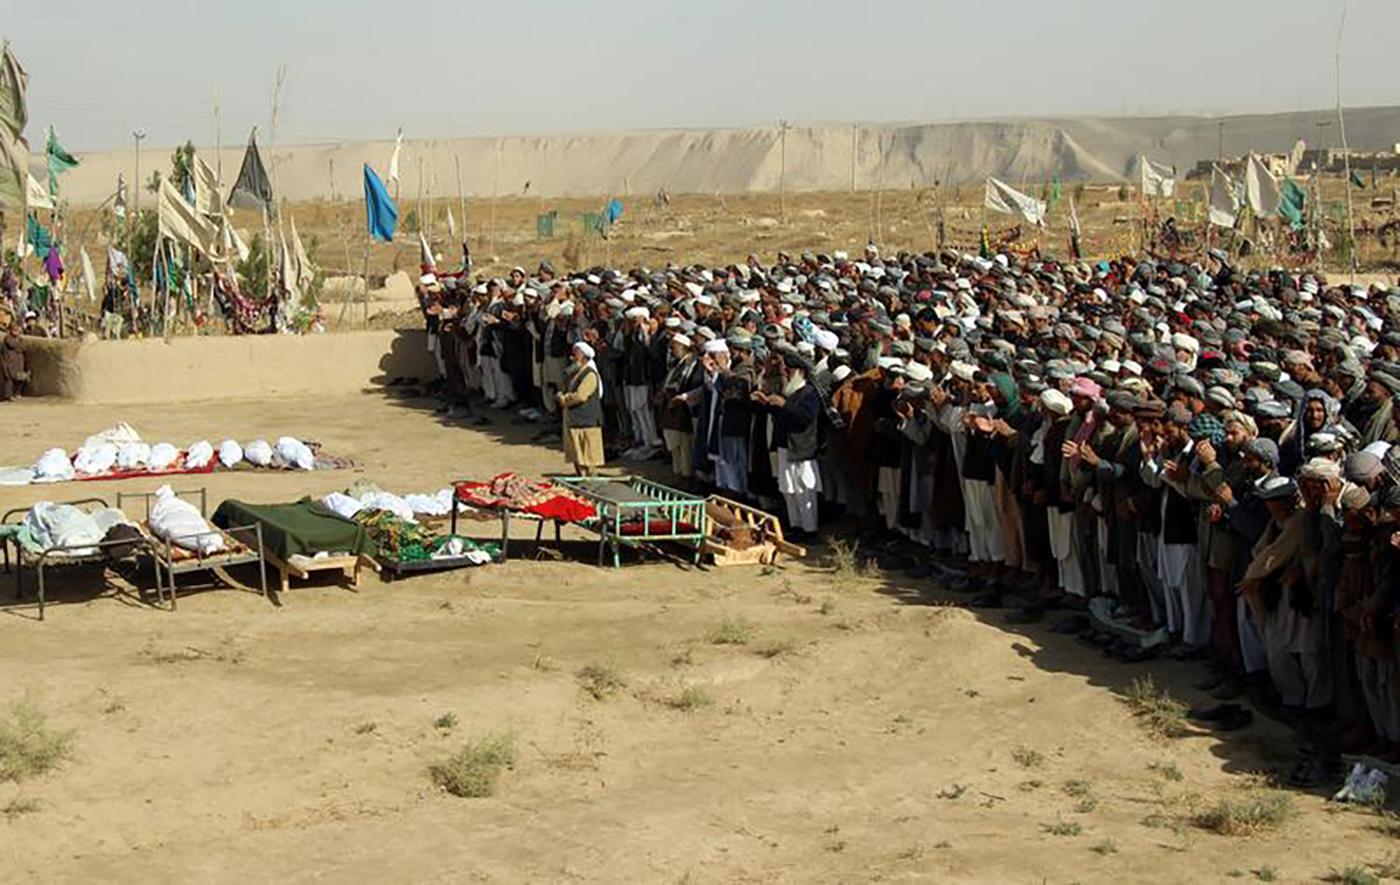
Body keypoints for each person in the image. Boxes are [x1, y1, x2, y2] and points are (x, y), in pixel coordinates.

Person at [555, 342, 606, 476]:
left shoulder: (589, 375)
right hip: (575, 420)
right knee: (577, 456)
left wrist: (564, 399)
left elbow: (581, 396)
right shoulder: (576, 373)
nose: (572, 358)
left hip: (586, 421)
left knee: (588, 456)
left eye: (576, 355)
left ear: (584, 357)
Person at [1, 318, 26, 401]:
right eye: (14, 329)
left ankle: (17, 393)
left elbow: (23, 348)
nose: (16, 331)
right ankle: (9, 395)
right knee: (9, 379)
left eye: (17, 329)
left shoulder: (20, 339)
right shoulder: (8, 338)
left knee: (21, 377)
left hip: (18, 362)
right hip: (9, 362)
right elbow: (12, 344)